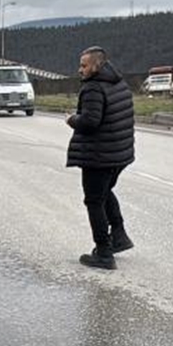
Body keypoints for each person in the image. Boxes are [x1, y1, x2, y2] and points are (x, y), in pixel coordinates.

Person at [66, 46, 135, 269]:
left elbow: (90, 122)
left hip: (100, 155)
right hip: (119, 153)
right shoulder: (119, 83)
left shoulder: (93, 88)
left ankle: (104, 253)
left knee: (94, 200)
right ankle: (119, 235)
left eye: (84, 65)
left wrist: (72, 119)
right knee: (105, 192)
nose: (80, 70)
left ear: (97, 65)